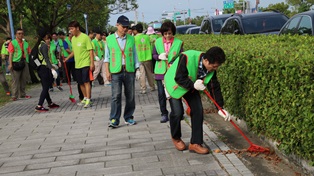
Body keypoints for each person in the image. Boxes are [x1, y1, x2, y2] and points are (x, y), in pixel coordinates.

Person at [164, 47, 231, 154]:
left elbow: (214, 87)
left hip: (192, 87)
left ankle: (195, 143)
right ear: (206, 60)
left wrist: (220, 108)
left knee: (198, 110)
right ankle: (176, 137)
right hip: (174, 85)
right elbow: (179, 77)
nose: (215, 69)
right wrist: (193, 85)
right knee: (177, 112)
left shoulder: (211, 70)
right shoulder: (187, 57)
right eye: (214, 66)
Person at [104, 15, 140, 128]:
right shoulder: (109, 39)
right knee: (116, 95)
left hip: (129, 70)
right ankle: (114, 118)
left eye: (126, 27)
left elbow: (135, 54)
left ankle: (129, 117)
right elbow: (107, 57)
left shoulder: (131, 38)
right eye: (123, 26)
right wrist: (107, 71)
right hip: (116, 71)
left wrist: (137, 68)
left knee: (130, 95)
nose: (125, 29)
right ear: (117, 25)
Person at [152, 21, 183, 123]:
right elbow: (154, 55)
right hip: (160, 72)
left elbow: (182, 56)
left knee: (174, 92)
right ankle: (164, 113)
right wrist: (159, 57)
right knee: (161, 94)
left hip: (173, 72)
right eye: (165, 34)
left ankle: (177, 112)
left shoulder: (178, 43)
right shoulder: (157, 42)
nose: (167, 36)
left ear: (172, 32)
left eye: (169, 33)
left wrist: (175, 61)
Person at [64, 21, 94, 108]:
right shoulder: (73, 39)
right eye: (69, 29)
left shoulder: (85, 37)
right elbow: (74, 51)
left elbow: (90, 50)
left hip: (85, 63)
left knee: (86, 82)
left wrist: (92, 63)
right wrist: (68, 58)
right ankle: (84, 98)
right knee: (80, 82)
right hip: (77, 64)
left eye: (72, 29)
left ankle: (89, 100)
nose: (71, 31)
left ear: (77, 28)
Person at [35, 29, 60, 112]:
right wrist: (52, 68)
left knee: (45, 86)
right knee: (46, 87)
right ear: (45, 36)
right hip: (45, 68)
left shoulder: (40, 45)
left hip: (41, 68)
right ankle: (39, 105)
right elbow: (46, 59)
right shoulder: (44, 46)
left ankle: (50, 103)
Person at [8, 28, 32, 101]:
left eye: (22, 33)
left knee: (23, 79)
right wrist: (10, 64)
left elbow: (29, 52)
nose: (21, 35)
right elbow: (10, 54)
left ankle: (22, 94)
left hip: (24, 62)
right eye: (19, 33)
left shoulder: (26, 43)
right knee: (16, 79)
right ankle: (14, 95)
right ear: (16, 35)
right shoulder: (13, 43)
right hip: (16, 62)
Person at [132, 23, 155, 94]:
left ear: (136, 30)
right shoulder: (147, 37)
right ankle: (152, 86)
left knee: (142, 74)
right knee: (149, 73)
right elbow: (154, 40)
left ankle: (143, 88)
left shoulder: (134, 38)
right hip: (148, 57)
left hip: (139, 58)